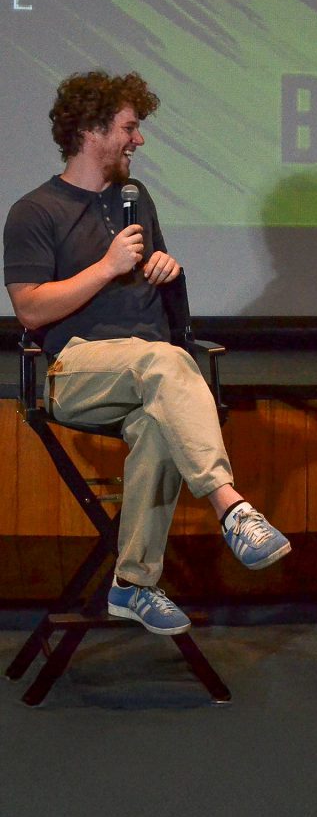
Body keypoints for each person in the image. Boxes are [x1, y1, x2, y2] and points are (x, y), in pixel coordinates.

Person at [3, 70, 291, 636]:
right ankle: (231, 508)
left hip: (151, 371)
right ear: (91, 131)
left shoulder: (136, 200)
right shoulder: (34, 212)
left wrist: (167, 269)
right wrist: (106, 267)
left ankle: (132, 584)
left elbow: (153, 288)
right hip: (75, 371)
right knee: (159, 360)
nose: (139, 140)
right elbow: (31, 309)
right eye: (129, 128)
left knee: (160, 420)